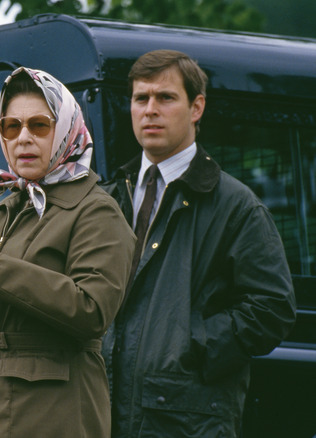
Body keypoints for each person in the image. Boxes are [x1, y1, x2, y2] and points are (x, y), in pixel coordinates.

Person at [101, 49, 297, 437]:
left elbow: (273, 308)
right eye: (141, 98)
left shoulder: (236, 205)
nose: (150, 110)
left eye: (165, 97)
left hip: (186, 421)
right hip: (101, 413)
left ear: (196, 107)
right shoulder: (108, 198)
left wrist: (187, 348)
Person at [0, 67, 135, 437]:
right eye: (11, 127)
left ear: (67, 131)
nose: (23, 138)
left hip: (47, 419)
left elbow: (92, 311)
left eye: (39, 125)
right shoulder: (2, 208)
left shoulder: (96, 209)